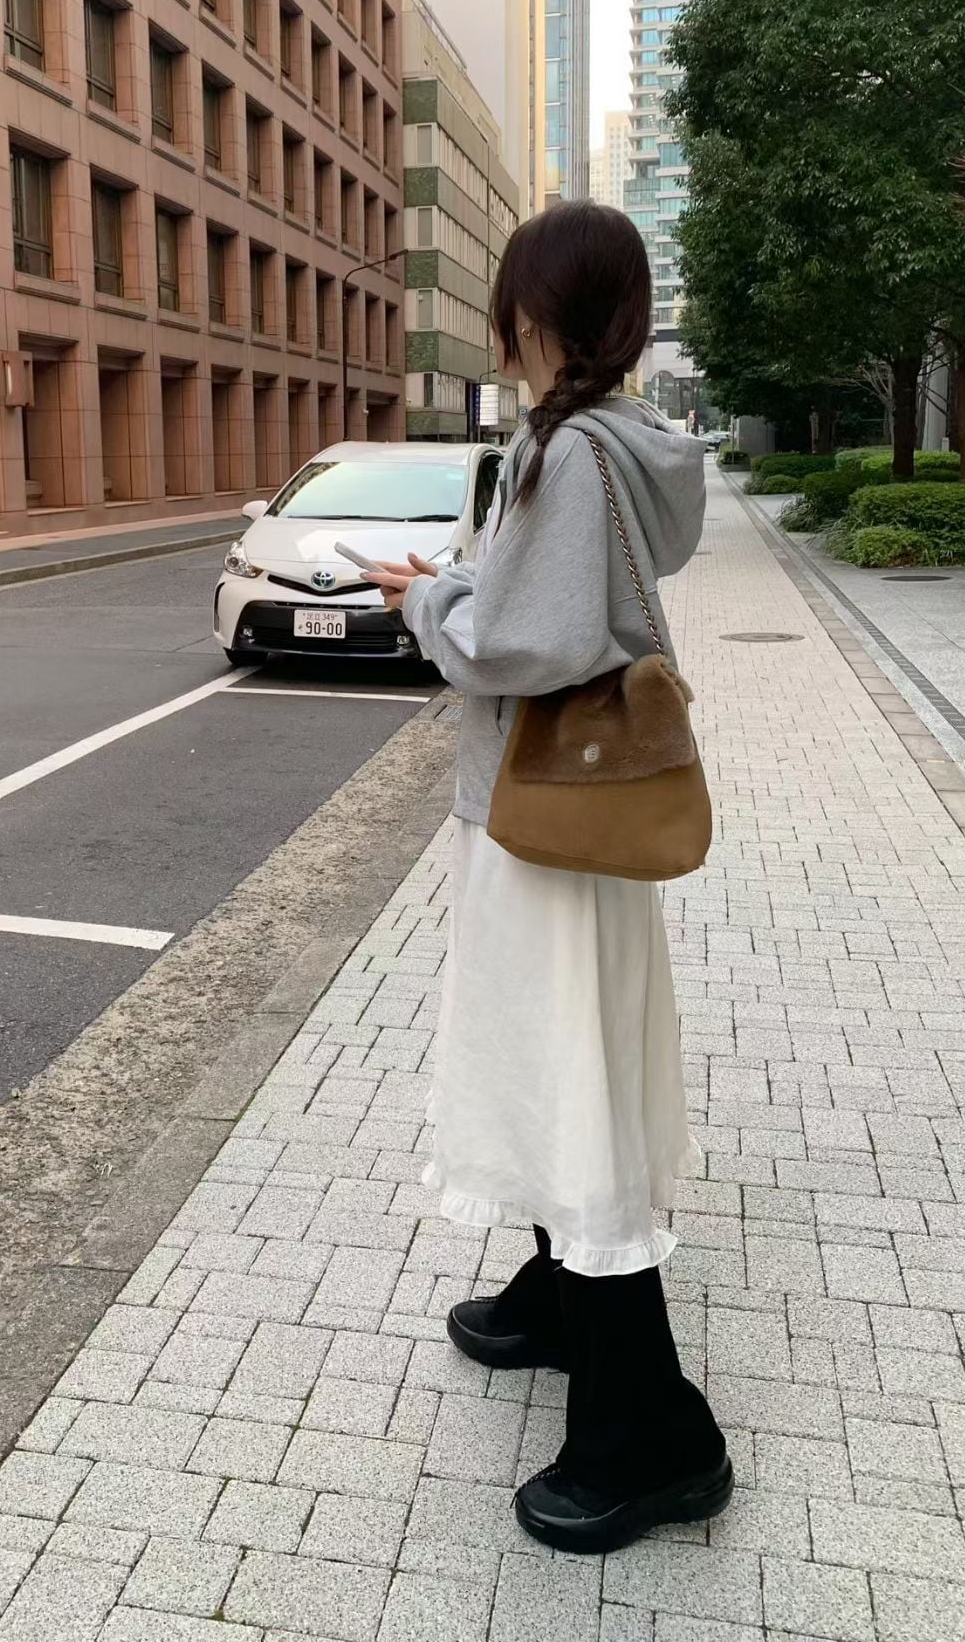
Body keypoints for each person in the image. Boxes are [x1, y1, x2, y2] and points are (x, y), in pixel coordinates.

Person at [368, 202, 731, 1556]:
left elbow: (529, 641)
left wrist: (428, 602)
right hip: (574, 824)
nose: (504, 329)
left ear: (546, 314)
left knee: (566, 1083)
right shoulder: (622, 438)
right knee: (553, 1064)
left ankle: (657, 1438)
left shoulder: (567, 451)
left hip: (545, 826)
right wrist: (470, 589)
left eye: (515, 305)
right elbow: (552, 607)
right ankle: (551, 1294)